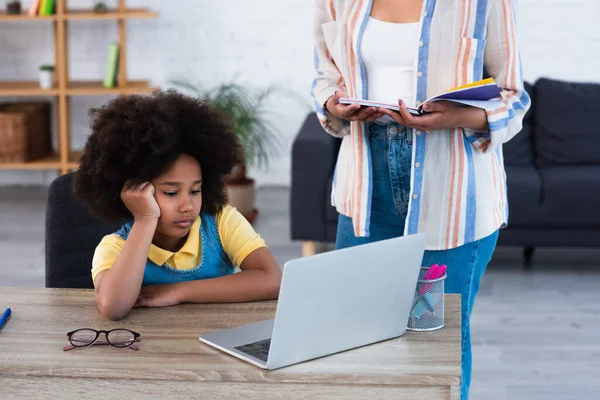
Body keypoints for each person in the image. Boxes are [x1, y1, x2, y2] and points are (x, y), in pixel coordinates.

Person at [312, 0, 529, 398]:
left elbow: (513, 96)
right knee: (357, 339)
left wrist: (454, 117)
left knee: (431, 345)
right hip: (366, 190)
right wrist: (334, 103)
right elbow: (325, 77)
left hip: (449, 196)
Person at [73, 90, 282, 321]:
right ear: (133, 192)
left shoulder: (222, 223)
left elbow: (272, 280)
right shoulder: (114, 247)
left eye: (195, 190)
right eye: (171, 193)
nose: (187, 205)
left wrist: (178, 292)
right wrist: (144, 220)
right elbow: (113, 307)